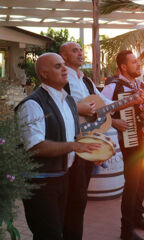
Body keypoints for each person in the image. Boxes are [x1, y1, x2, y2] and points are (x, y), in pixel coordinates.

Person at [59, 42, 144, 240]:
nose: (80, 53)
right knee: (72, 199)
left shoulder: (86, 81)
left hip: (87, 142)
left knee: (79, 199)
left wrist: (129, 101)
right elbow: (62, 106)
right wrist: (80, 110)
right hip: (71, 143)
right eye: (74, 50)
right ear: (63, 55)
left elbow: (104, 105)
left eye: (81, 50)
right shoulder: (63, 80)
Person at [15, 53, 101, 240]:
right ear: (44, 74)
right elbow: (34, 146)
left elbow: (74, 137)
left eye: (64, 65)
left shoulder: (69, 100)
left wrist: (92, 154)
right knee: (48, 234)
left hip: (64, 178)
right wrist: (74, 146)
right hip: (40, 183)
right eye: (57, 66)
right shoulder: (32, 105)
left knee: (64, 228)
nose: (64, 69)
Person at [101, 50, 144, 240]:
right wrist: (115, 123)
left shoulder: (142, 86)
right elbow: (99, 112)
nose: (138, 65)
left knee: (143, 182)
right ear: (123, 67)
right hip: (127, 142)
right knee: (132, 185)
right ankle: (126, 230)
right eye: (134, 62)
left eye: (138, 62)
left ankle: (138, 217)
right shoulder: (112, 87)